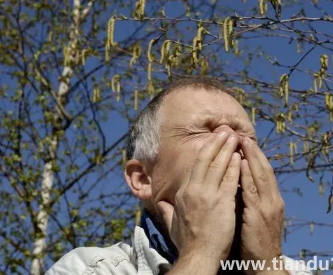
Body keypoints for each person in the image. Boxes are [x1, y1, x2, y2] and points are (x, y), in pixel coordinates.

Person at [46, 77, 311, 275]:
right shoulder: (89, 269)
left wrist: (266, 262)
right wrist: (201, 253)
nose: (234, 141)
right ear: (142, 178)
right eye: (203, 131)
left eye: (247, 136)